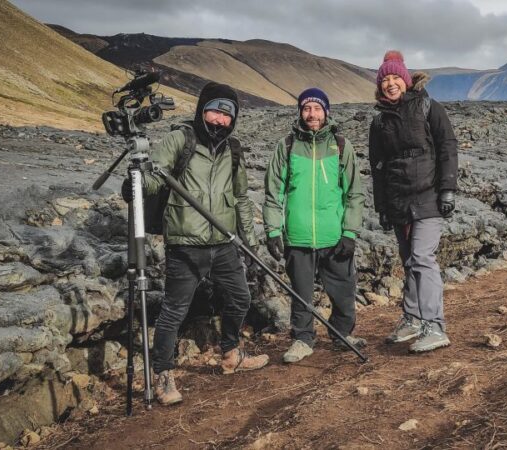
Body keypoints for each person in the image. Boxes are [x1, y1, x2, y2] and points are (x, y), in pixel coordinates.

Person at [125, 81, 268, 405]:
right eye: (215, 111)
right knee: (174, 311)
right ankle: (163, 376)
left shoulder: (233, 149)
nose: (220, 120)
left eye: (227, 115)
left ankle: (231, 353)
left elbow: (241, 197)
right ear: (203, 110)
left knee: (240, 298)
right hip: (185, 243)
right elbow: (153, 176)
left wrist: (251, 240)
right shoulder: (181, 139)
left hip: (223, 242)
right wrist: (135, 183)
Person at [263, 87, 365, 364]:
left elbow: (354, 193)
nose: (312, 114)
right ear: (300, 112)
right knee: (301, 293)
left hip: (334, 236)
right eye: (307, 108)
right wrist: (273, 230)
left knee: (343, 291)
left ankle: (343, 334)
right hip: (298, 237)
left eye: (317, 108)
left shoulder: (341, 146)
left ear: (326, 112)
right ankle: (302, 339)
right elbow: (273, 192)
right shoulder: (286, 146)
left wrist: (350, 232)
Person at [368, 51, 458, 353]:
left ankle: (435, 325)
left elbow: (447, 146)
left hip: (428, 195)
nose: (391, 84)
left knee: (422, 258)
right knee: (408, 262)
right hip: (398, 200)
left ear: (406, 80)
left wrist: (448, 189)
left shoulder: (428, 107)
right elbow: (377, 166)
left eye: (395, 78)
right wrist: (382, 206)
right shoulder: (379, 121)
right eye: (385, 80)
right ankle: (413, 317)